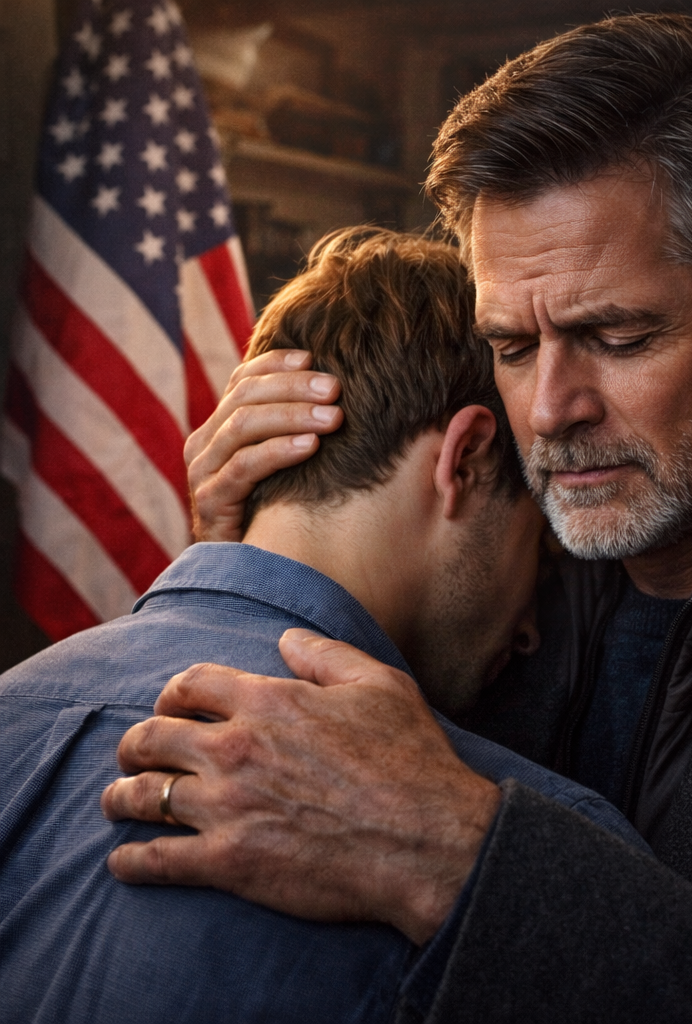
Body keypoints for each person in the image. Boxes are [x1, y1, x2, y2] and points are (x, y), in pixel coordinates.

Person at [103, 14, 692, 1024]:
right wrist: (253, 562)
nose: (547, 410)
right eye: (509, 345)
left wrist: (464, 865)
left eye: (617, 336)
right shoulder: (473, 570)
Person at [0, 227, 646, 1024]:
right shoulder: (533, 864)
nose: (530, 634)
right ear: (469, 459)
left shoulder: (15, 708)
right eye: (540, 553)